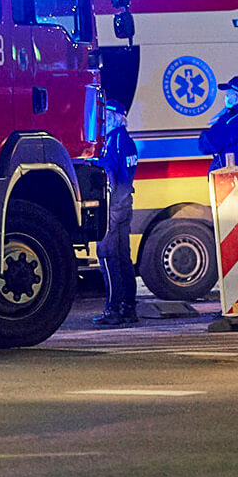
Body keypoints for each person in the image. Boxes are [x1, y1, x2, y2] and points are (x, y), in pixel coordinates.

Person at [92, 101, 141, 327]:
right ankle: (128, 308)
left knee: (108, 258)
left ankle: (112, 309)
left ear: (115, 117)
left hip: (113, 207)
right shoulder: (127, 141)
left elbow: (109, 175)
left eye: (107, 114)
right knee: (123, 259)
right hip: (124, 204)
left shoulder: (113, 142)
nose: (104, 118)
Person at [198, 76, 238, 171]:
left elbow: (206, 144)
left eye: (228, 94)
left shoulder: (231, 121)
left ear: (235, 96)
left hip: (235, 179)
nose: (226, 97)